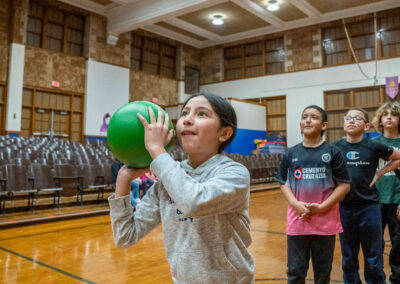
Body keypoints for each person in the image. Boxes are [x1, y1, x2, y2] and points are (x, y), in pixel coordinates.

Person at [108, 93, 254, 283]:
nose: (187, 120)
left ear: (224, 133)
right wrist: (124, 179)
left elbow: (193, 202)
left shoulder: (235, 174)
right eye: (184, 113)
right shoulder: (167, 182)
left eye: (202, 114)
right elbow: (125, 236)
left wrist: (157, 150)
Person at [275, 105, 351, 284]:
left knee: (323, 273)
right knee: (295, 272)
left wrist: (322, 207)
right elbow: (283, 183)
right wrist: (295, 203)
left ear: (324, 125)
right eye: (304, 117)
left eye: (314, 117)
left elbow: (344, 185)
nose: (308, 120)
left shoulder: (333, 152)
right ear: (300, 123)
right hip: (297, 221)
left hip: (325, 223)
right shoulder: (290, 153)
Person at [333, 107, 400, 284]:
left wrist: (380, 172)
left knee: (373, 257)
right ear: (343, 123)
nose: (352, 120)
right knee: (348, 257)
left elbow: (398, 157)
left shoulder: (373, 145)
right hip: (344, 208)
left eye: (357, 118)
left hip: (369, 208)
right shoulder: (334, 148)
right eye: (348, 118)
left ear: (367, 126)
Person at [372, 102, 400, 284]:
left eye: (394, 114)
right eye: (385, 114)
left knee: (399, 245)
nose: (389, 117)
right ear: (380, 120)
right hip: (376, 201)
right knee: (375, 244)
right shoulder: (372, 144)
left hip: (398, 201)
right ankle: (377, 278)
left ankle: (397, 279)